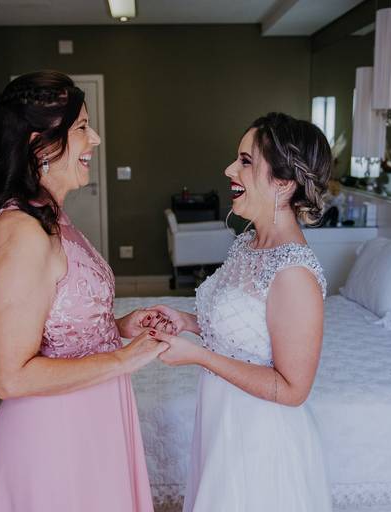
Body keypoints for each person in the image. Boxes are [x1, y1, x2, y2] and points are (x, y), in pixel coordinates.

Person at [0, 70, 174, 512]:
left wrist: (116, 326)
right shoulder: (22, 232)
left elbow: (55, 317)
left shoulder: (49, 215)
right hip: (55, 437)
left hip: (91, 416)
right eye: (82, 127)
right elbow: (9, 376)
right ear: (39, 145)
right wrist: (124, 359)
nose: (94, 139)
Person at [144, 112, 334, 512]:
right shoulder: (248, 244)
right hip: (220, 421)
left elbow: (293, 389)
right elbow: (245, 329)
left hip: (259, 440)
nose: (230, 169)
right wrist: (188, 323)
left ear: (283, 183)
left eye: (245, 161)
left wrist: (198, 356)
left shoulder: (294, 273)